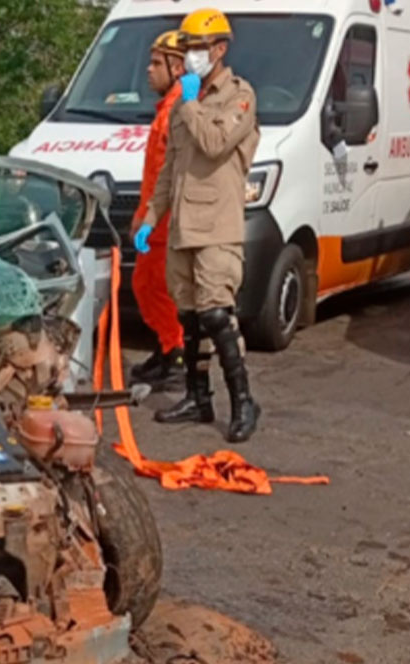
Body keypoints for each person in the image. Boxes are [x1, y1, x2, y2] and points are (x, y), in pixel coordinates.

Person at [134, 8, 261, 443]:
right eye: (186, 49)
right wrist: (151, 217)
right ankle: (197, 397)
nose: (191, 57)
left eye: (198, 49)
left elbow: (214, 143)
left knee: (215, 314)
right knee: (188, 317)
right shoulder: (184, 102)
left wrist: (188, 103)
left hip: (216, 226)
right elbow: (170, 167)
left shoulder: (238, 96)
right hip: (184, 226)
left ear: (220, 50)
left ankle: (243, 400)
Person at [129, 30, 187, 386]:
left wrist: (147, 216)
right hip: (156, 218)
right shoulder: (168, 108)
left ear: (177, 66)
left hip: (163, 221)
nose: (148, 70)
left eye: (156, 63)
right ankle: (168, 349)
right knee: (146, 286)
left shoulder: (175, 111)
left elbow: (167, 176)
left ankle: (176, 354)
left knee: (154, 288)